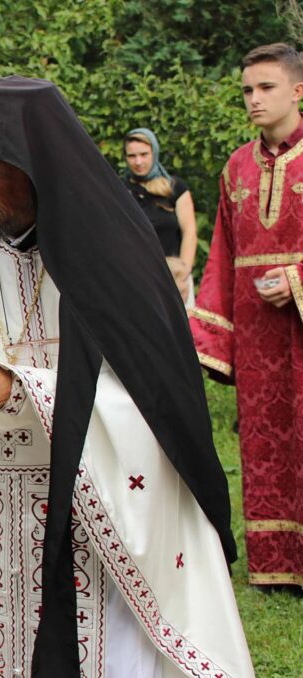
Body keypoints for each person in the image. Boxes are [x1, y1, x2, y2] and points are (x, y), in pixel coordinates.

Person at [0, 74, 254, 678]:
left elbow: (158, 400)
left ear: (33, 163)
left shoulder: (115, 245)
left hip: (102, 518)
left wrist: (20, 390)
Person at [190, 42, 303, 591]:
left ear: (298, 90)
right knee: (264, 441)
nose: (254, 100)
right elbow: (222, 253)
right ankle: (276, 566)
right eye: (247, 91)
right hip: (258, 333)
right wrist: (213, 335)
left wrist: (297, 278)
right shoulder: (236, 166)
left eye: (266, 88)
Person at [122, 127, 198, 305]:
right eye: (132, 156)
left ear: (154, 153)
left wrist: (183, 274)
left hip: (175, 278)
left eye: (144, 154)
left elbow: (190, 233)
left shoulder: (175, 188)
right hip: (137, 280)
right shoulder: (120, 191)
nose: (138, 161)